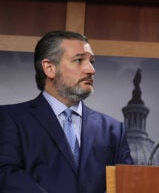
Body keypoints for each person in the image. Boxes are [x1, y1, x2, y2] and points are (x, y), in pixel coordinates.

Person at [0, 31, 134, 193]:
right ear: (49, 68)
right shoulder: (10, 119)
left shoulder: (114, 129)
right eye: (79, 60)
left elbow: (127, 183)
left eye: (91, 62)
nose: (91, 70)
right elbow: (6, 174)